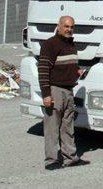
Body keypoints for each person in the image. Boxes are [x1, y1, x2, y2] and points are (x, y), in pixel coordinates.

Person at [39, 16, 90, 170]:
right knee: (52, 128)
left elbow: (70, 66)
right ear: (58, 26)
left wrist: (78, 72)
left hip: (69, 91)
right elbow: (43, 70)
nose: (69, 29)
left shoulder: (71, 45)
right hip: (55, 91)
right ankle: (51, 160)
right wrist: (46, 94)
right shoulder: (50, 44)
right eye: (66, 26)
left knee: (68, 127)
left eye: (72, 27)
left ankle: (71, 158)